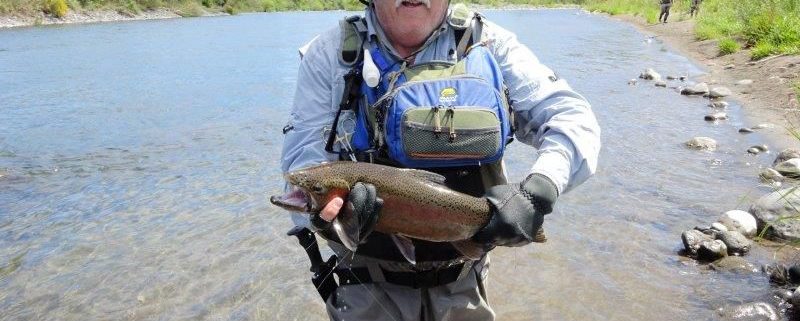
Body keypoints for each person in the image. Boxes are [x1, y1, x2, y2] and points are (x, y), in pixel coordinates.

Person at [279, 0, 600, 320]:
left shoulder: (488, 44)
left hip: (465, 281)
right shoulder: (329, 56)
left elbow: (572, 118)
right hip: (364, 289)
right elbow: (300, 165)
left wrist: (538, 191)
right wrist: (323, 218)